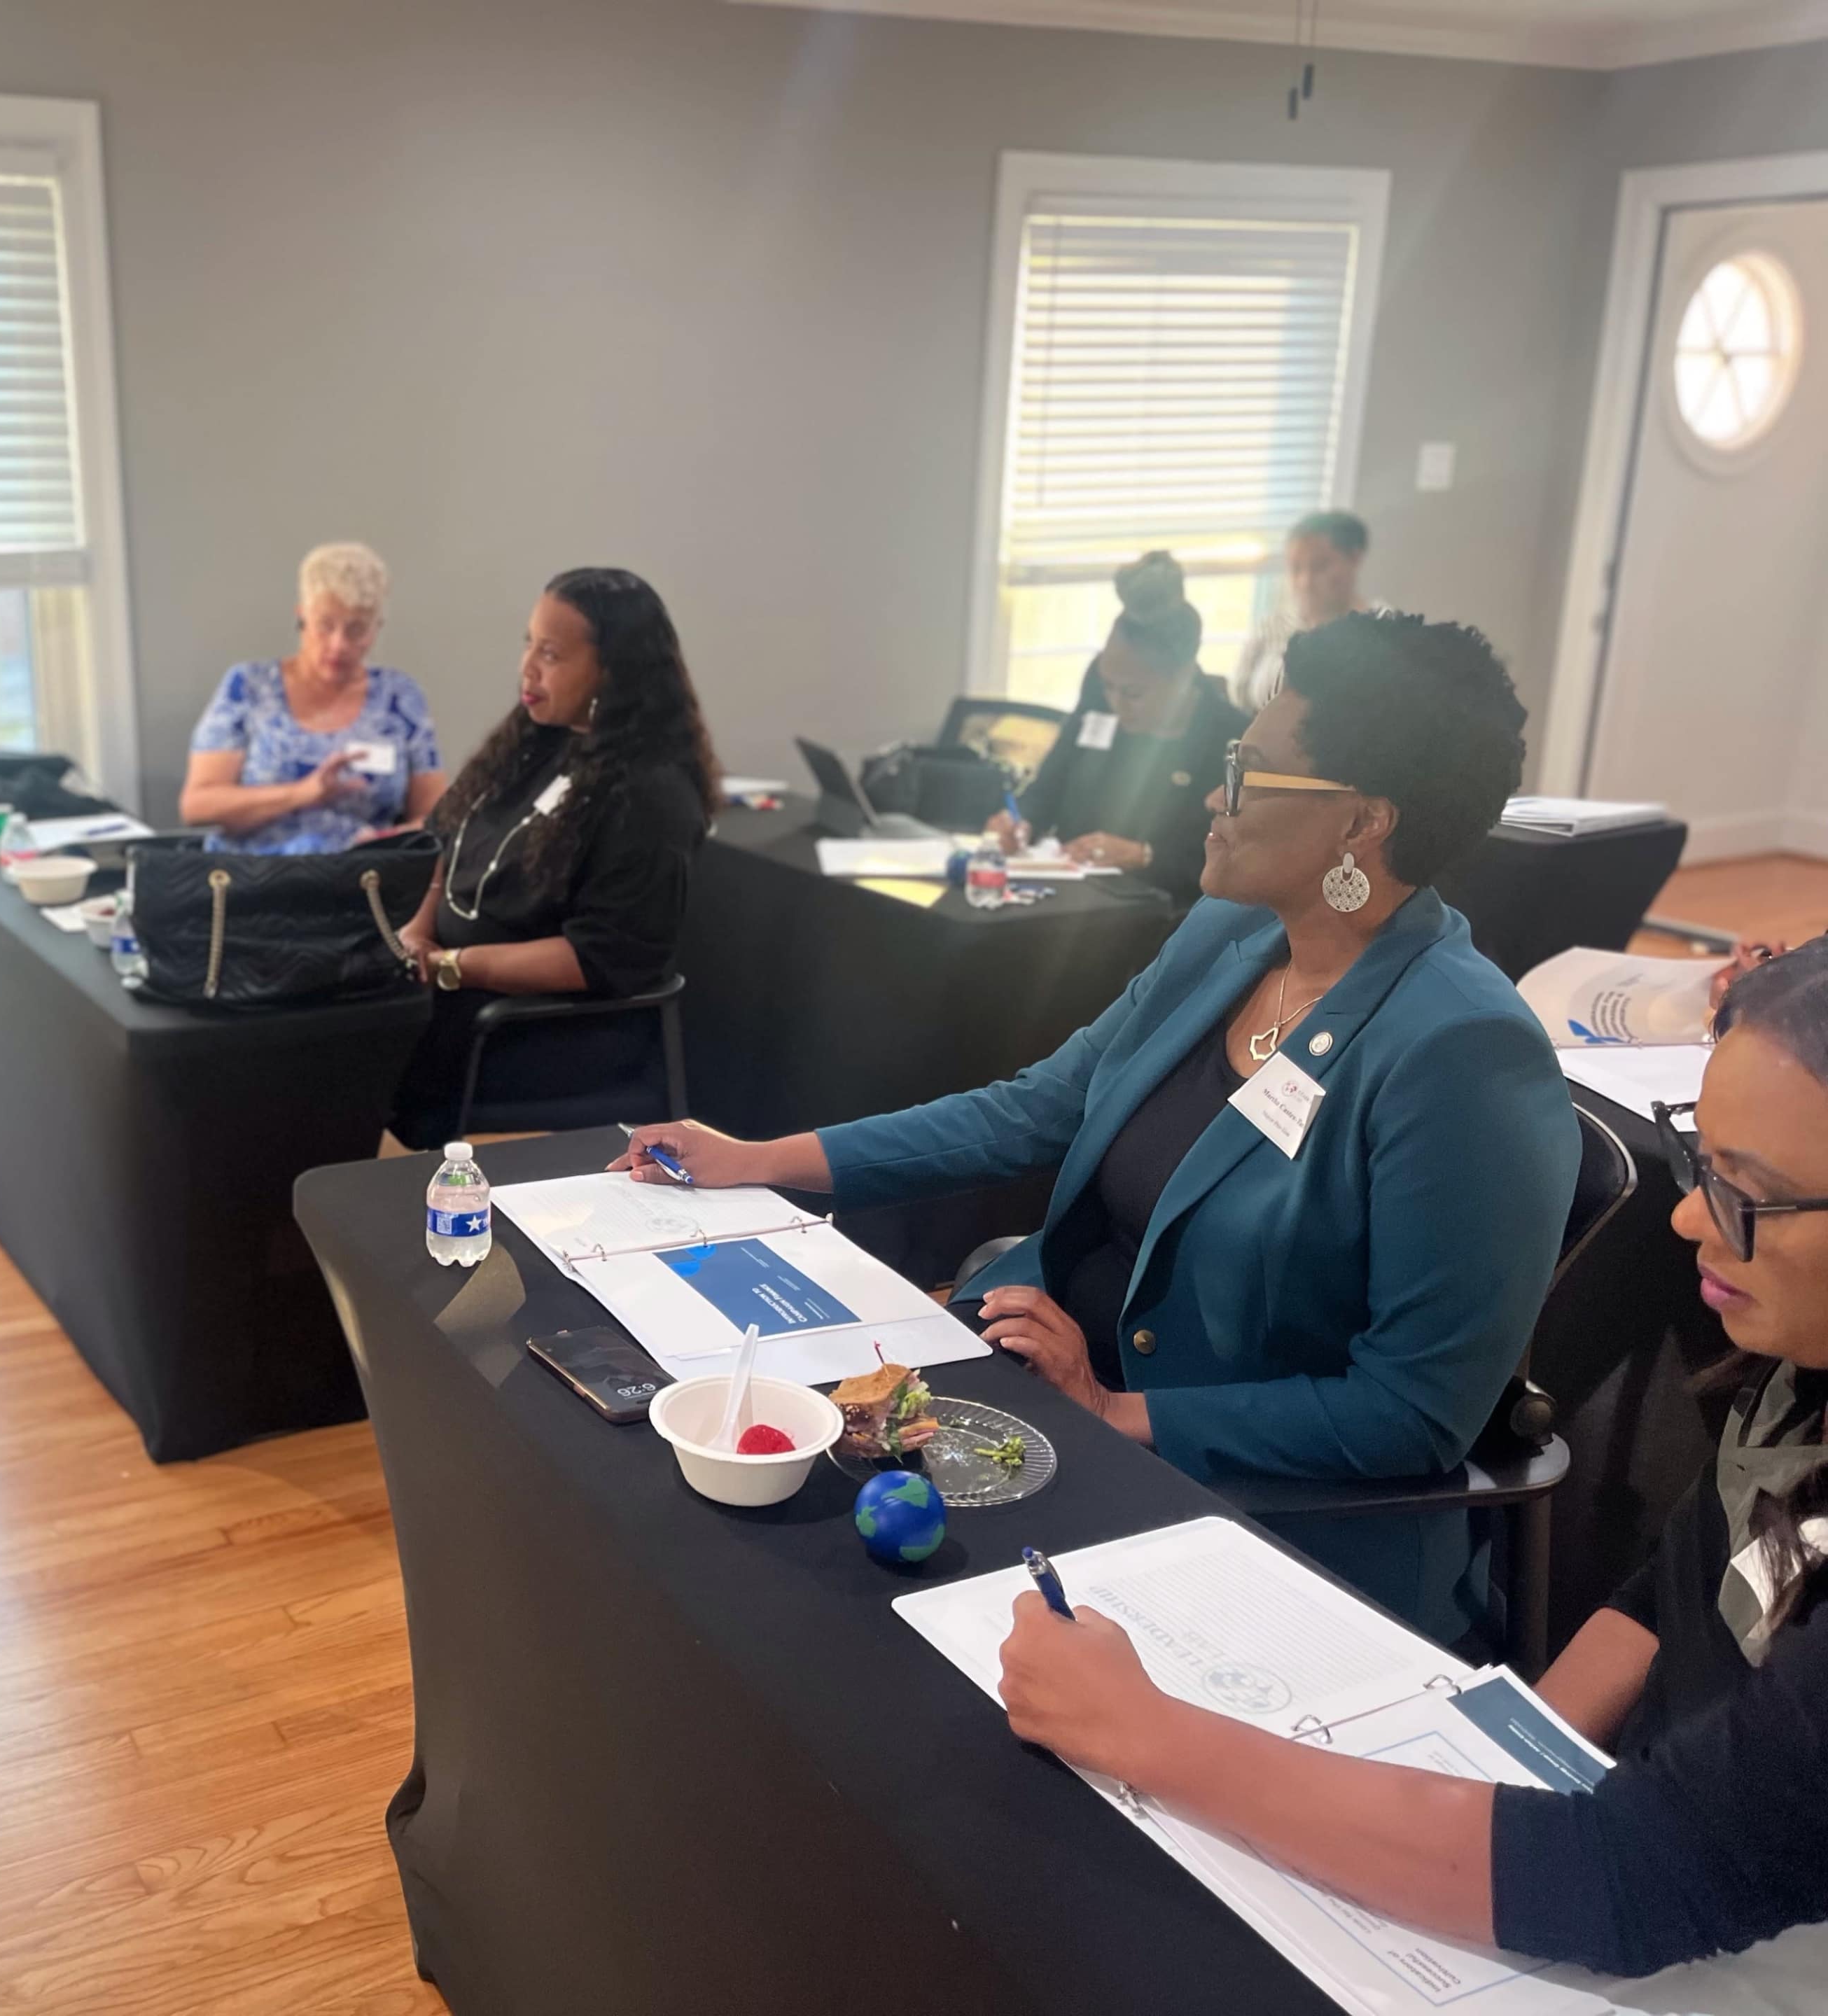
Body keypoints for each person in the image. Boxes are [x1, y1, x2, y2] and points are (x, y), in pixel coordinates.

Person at [620, 613, 1578, 1643]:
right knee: (731, 1532)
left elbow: (1413, 1413)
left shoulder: (1462, 1055)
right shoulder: (1235, 934)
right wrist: (760, 1159)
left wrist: (1120, 1411)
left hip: (1244, 1521)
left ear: (1362, 824)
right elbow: (1039, 1105)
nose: (1216, 798)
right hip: (1043, 1405)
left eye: (1247, 772)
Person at [995, 941, 1828, 1987]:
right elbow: (1673, 1586)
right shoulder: (1797, 1373)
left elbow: (1643, 1877)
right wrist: (1513, 1755)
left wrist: (1145, 1732)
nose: (1687, 1216)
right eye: (1702, 1162)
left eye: (1748, 1193)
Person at [389, 568, 718, 1152]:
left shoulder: (650, 795)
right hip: (453, 993)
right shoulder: (534, 739)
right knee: (322, 1028)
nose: (528, 667)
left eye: (551, 653)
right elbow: (448, 841)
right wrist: (417, 932)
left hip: (541, 1029)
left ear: (613, 669)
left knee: (342, 1055)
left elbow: (598, 956)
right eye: (528, 644)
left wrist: (454, 965)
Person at [985, 552, 1248, 906]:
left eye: (1133, 692)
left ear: (1184, 676)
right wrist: (1022, 822)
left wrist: (1145, 855)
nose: (1114, 701)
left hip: (1157, 910)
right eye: (1109, 684)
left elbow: (1235, 859)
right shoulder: (1099, 689)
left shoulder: (1228, 739)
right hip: (1067, 895)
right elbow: (1048, 786)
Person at [178, 542, 445, 852]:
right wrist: (303, 793)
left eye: (357, 630)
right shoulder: (249, 688)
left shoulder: (400, 697)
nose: (338, 644)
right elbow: (198, 806)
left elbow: (434, 818)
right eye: (325, 625)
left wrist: (386, 842)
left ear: (377, 629)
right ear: (302, 616)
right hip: (255, 883)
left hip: (364, 883)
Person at [1230, 509, 1372, 713]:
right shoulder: (1273, 627)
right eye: (1296, 568)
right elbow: (1240, 696)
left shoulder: (1383, 628)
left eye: (1320, 567)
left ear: (1354, 559)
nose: (1306, 582)